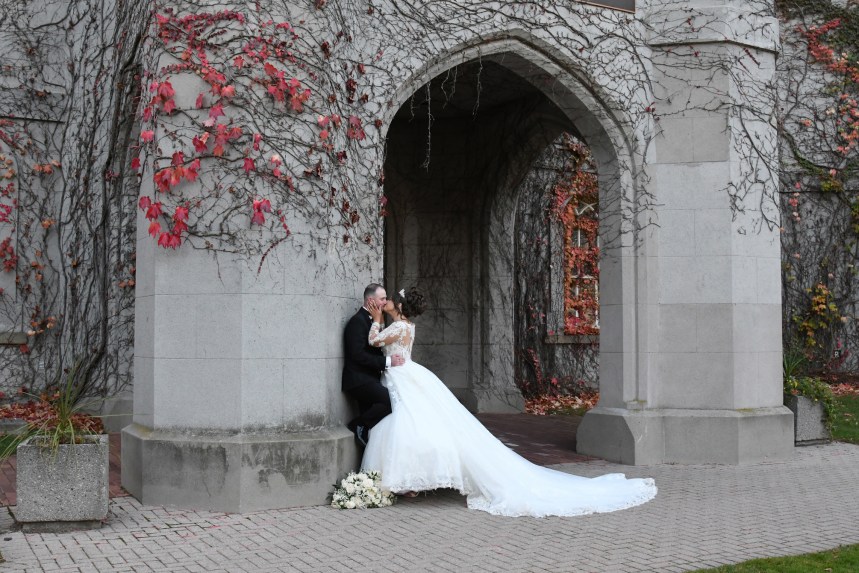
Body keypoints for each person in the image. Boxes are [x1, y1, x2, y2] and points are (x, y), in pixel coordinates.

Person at [360, 287, 657, 518]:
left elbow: (374, 341)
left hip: (403, 375)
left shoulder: (398, 327)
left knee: (410, 422)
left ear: (397, 306)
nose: (384, 303)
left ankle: (409, 480)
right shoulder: (407, 326)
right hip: (404, 375)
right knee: (413, 422)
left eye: (389, 300)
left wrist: (374, 320)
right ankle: (411, 481)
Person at [342, 283, 404, 447]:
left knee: (371, 431)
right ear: (370, 300)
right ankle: (358, 424)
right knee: (391, 400)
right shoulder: (357, 322)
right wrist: (389, 362)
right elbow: (358, 356)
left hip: (370, 378)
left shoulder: (375, 320)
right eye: (382, 298)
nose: (385, 302)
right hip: (358, 380)